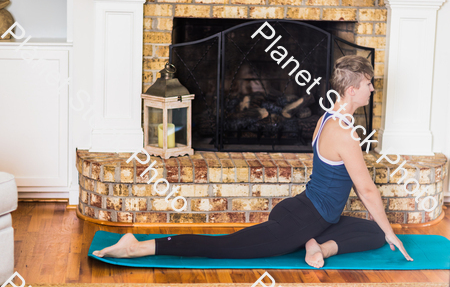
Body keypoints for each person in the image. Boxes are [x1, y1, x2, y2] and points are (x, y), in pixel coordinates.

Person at [92, 55, 413, 268]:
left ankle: (319, 246)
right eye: (369, 84)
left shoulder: (328, 118)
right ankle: (137, 246)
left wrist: (386, 231)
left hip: (302, 209)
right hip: (303, 219)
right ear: (355, 89)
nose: (372, 88)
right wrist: (392, 231)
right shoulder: (346, 133)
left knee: (373, 234)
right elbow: (367, 191)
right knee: (226, 248)